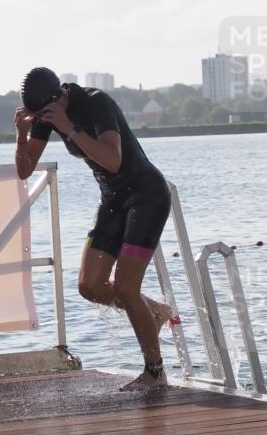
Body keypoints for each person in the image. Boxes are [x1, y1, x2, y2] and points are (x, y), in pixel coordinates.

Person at [14, 67, 173, 391]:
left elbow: (113, 160)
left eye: (44, 113)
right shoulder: (48, 115)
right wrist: (21, 134)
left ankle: (155, 372)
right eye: (37, 116)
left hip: (147, 196)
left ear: (59, 97)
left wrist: (68, 127)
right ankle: (153, 311)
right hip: (113, 201)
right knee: (89, 286)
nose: (43, 119)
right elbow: (24, 169)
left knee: (127, 288)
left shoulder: (95, 103)